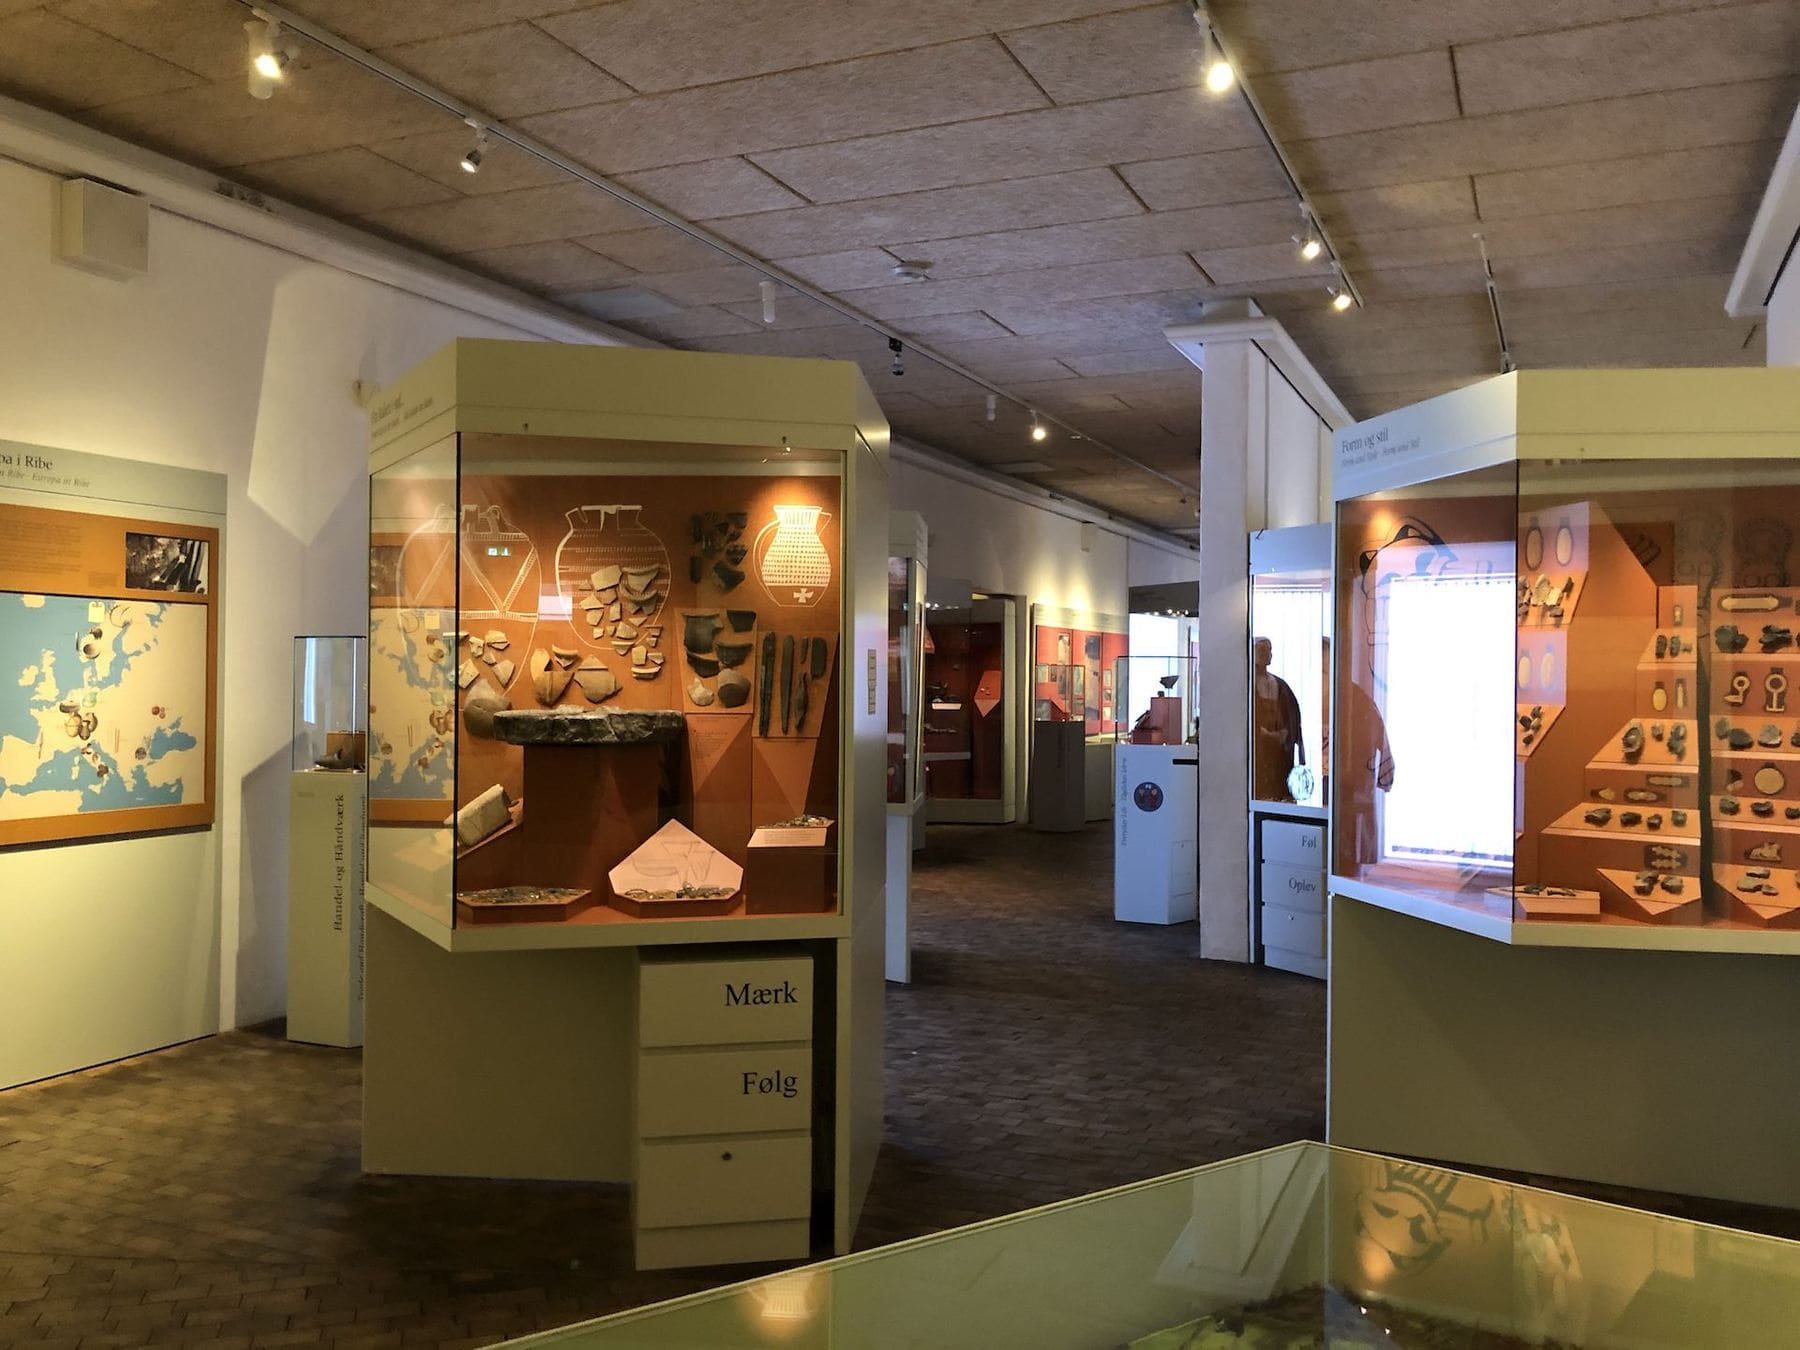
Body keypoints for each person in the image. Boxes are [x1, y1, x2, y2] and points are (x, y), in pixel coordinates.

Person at [1252, 637, 1304, 802]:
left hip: (1280, 751)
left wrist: (1285, 733)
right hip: (1258, 751)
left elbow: (1292, 716)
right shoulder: (1247, 684)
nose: (1267, 654)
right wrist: (1264, 734)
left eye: (1269, 650)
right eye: (1262, 650)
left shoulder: (1280, 685)